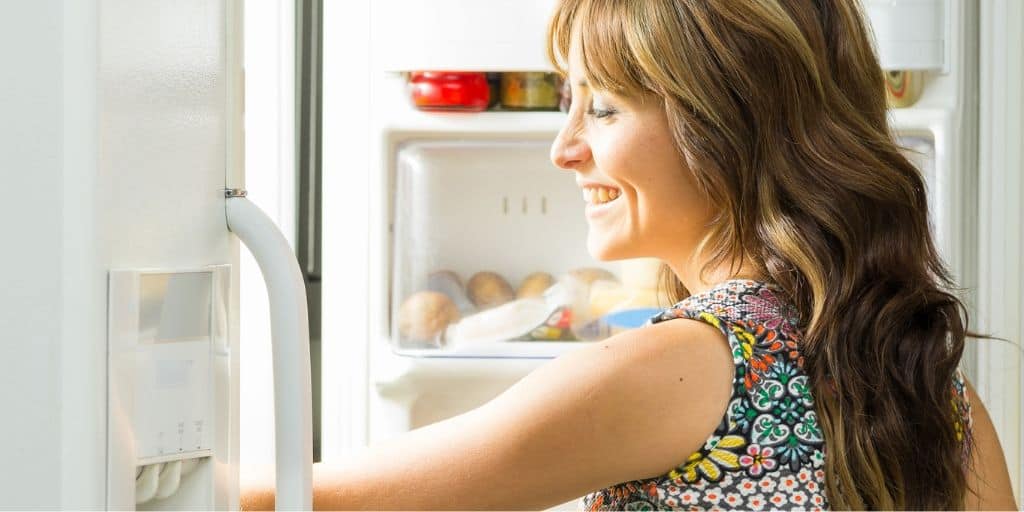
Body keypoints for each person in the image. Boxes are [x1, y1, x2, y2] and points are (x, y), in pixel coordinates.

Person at [243, 0, 1018, 509]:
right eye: (564, 102)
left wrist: (147, 459)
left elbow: (307, 499)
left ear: (725, 127)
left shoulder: (685, 364)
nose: (563, 148)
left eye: (603, 108)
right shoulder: (935, 385)